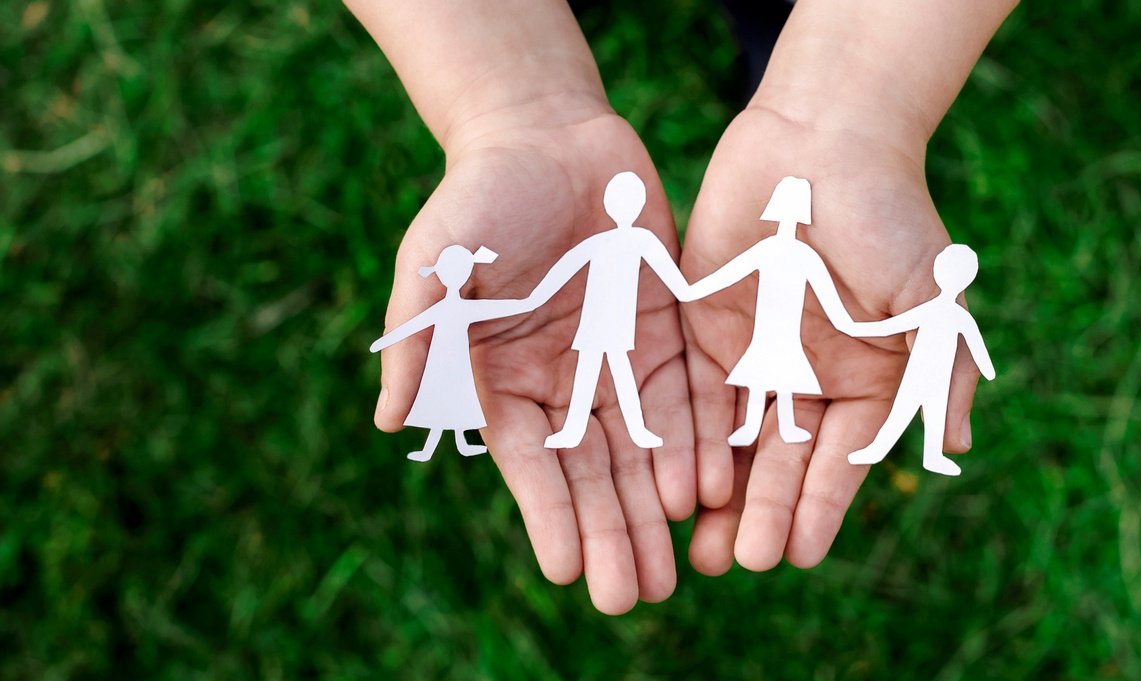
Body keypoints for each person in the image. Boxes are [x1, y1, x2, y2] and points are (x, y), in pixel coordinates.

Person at [347, 0, 1018, 611]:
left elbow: (668, 271)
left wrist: (846, 98)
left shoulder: (691, 248)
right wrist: (509, 90)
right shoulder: (627, 245)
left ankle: (790, 51)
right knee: (596, 383)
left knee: (783, 27)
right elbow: (580, 283)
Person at [523, 171, 695, 450]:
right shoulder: (605, 241)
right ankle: (576, 430)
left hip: (615, 321)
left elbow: (676, 282)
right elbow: (565, 267)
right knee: (592, 372)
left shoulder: (641, 239)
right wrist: (533, 299)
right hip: (595, 320)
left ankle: (634, 431)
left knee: (615, 372)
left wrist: (700, 288)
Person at [683, 176, 855, 446]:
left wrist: (853, 325)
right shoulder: (777, 250)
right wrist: (691, 291)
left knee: (782, 373)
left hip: (786, 330)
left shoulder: (804, 255)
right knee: (762, 372)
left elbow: (829, 298)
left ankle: (785, 427)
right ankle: (752, 428)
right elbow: (729, 274)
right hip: (766, 328)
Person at [369, 245, 530, 462]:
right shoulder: (450, 308)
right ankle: (431, 448)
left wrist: (527, 303)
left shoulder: (458, 308)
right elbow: (413, 325)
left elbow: (498, 308)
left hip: (456, 363)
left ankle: (460, 443)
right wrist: (386, 340)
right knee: (442, 399)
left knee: (457, 399)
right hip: (442, 363)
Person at [845, 244, 996, 475]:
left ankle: (931, 455)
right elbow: (890, 326)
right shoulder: (947, 314)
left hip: (937, 377)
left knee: (931, 414)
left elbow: (976, 346)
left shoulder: (954, 316)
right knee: (903, 412)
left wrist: (856, 328)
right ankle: (878, 449)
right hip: (920, 374)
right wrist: (855, 329)